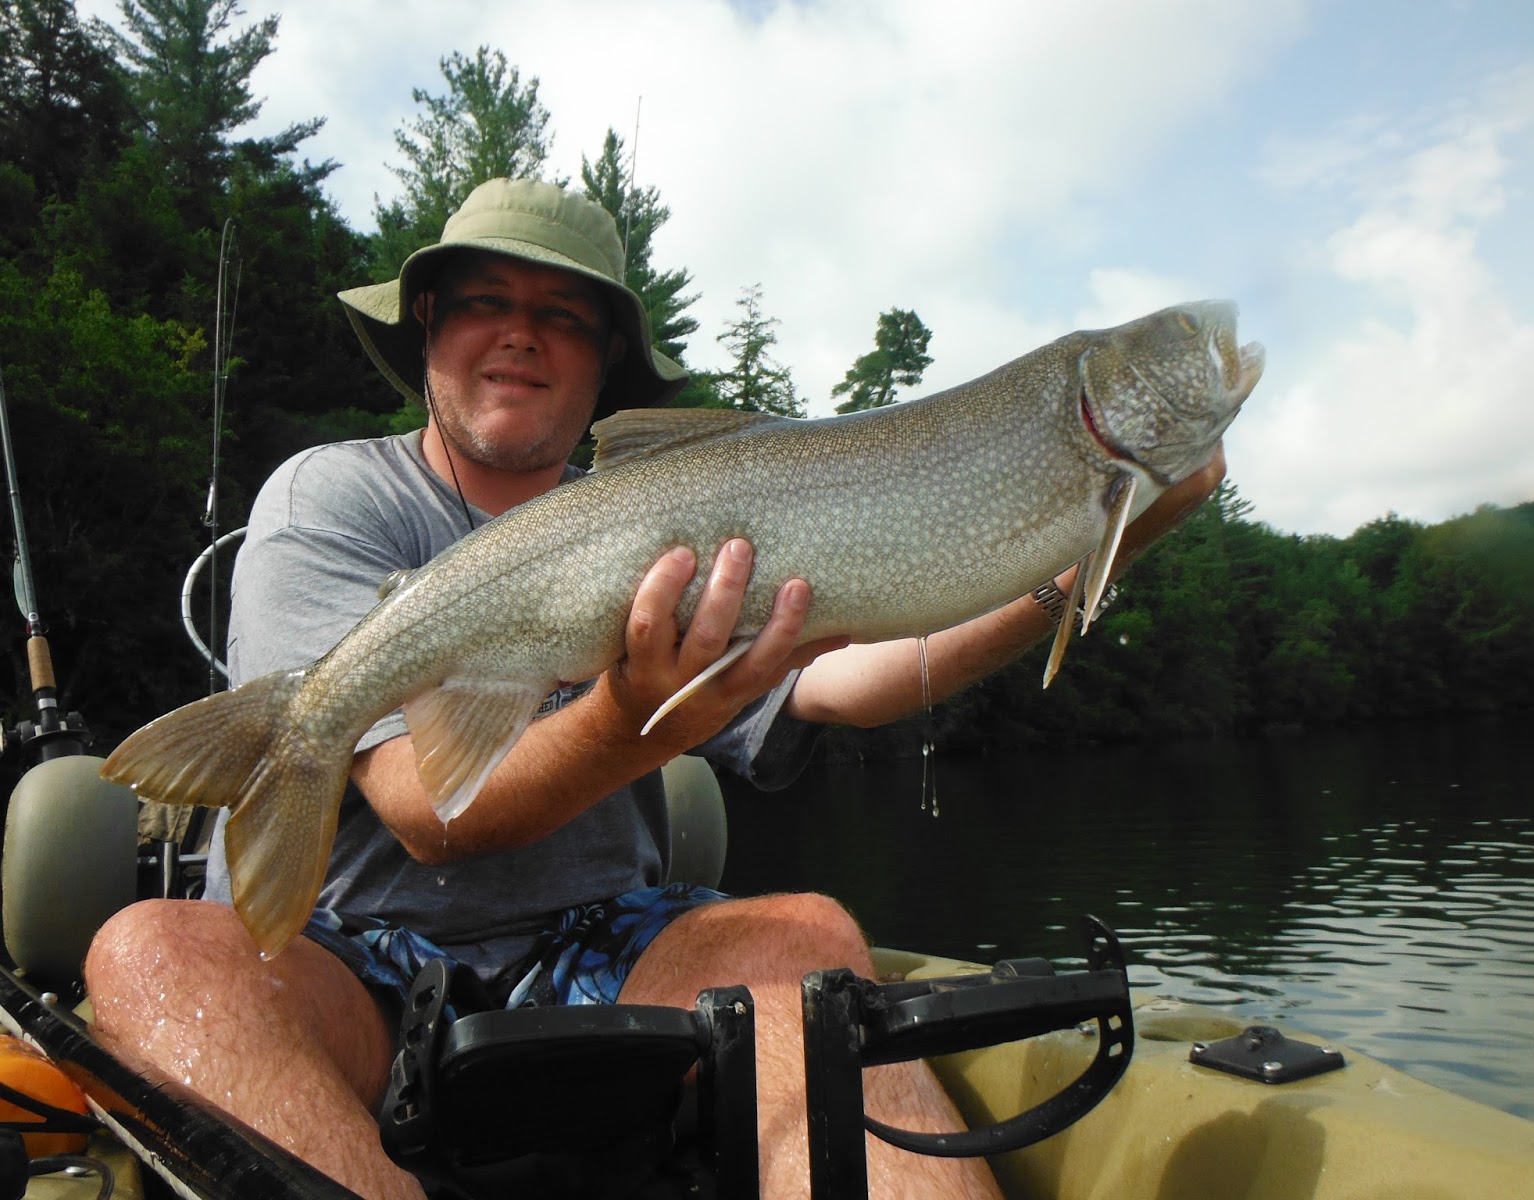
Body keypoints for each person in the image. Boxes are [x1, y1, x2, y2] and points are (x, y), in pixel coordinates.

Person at [85, 178, 1224, 1199]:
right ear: (427, 325)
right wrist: (629, 718)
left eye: (564, 318)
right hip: (356, 953)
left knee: (808, 931)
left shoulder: (707, 516)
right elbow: (434, 818)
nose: (520, 336)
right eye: (485, 301)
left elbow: (858, 685)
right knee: (154, 953)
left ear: (603, 365)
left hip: (606, 942)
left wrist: (1083, 564)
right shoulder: (330, 497)